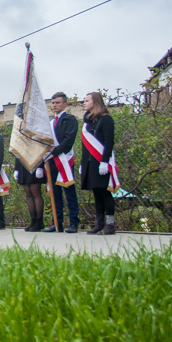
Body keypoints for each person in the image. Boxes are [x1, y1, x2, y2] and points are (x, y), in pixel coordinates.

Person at [81, 91, 118, 235]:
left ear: (95, 102)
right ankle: (99, 223)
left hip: (102, 161)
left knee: (105, 192)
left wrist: (104, 161)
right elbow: (85, 145)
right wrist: (83, 164)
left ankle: (110, 224)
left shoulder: (106, 119)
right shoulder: (89, 121)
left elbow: (109, 142)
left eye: (87, 100)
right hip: (90, 163)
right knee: (96, 192)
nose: (84, 103)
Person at [44, 92, 80, 233]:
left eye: (58, 103)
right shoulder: (51, 123)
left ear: (65, 104)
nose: (55, 105)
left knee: (69, 193)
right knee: (55, 194)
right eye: (53, 103)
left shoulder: (70, 120)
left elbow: (68, 141)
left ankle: (73, 223)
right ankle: (56, 223)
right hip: (52, 162)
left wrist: (53, 152)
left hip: (65, 161)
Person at [13, 157, 46, 232]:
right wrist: (16, 168)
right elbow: (18, 151)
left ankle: (39, 221)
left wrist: (40, 166)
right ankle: (33, 220)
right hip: (23, 165)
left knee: (35, 192)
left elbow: (40, 151)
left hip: (34, 163)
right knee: (28, 193)